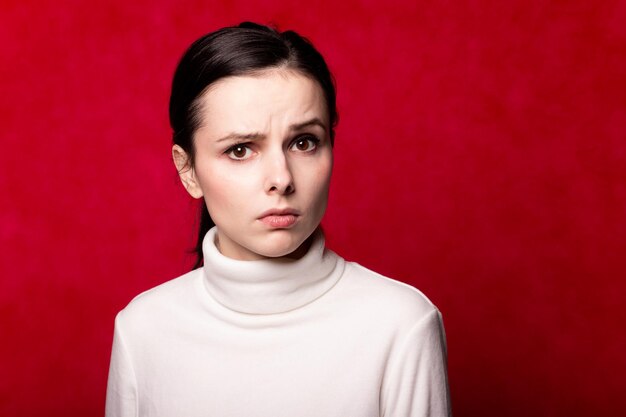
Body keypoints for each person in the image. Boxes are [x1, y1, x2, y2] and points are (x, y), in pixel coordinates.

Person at [105, 22, 451, 417]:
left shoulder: (401, 324)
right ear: (188, 170)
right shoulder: (142, 330)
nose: (281, 179)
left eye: (304, 142)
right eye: (240, 150)